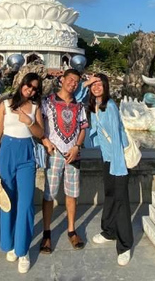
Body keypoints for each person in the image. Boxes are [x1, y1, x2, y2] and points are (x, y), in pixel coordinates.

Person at [0, 73, 45, 273]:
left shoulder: (36, 107)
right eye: (28, 86)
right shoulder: (5, 105)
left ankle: (23, 250)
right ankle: (9, 243)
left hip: (26, 156)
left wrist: (28, 121)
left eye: (34, 88)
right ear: (22, 85)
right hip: (6, 153)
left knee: (26, 203)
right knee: (7, 201)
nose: (30, 90)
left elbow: (40, 133)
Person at [77, 73, 134, 266]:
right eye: (94, 84)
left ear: (106, 86)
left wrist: (118, 167)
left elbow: (117, 140)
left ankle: (125, 245)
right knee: (110, 196)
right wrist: (87, 82)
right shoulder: (93, 107)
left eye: (100, 84)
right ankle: (109, 231)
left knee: (120, 201)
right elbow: (75, 96)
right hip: (107, 159)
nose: (96, 87)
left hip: (118, 160)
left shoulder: (109, 107)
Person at [39, 68, 88, 253]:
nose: (73, 84)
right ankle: (46, 233)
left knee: (72, 193)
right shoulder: (47, 102)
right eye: (70, 80)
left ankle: (71, 230)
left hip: (73, 153)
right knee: (49, 194)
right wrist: (45, 140)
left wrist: (77, 146)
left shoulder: (80, 106)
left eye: (76, 82)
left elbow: (83, 128)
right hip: (54, 153)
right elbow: (39, 123)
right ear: (63, 79)